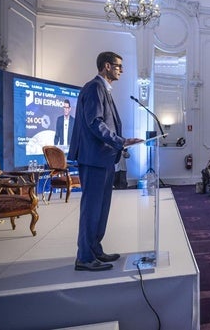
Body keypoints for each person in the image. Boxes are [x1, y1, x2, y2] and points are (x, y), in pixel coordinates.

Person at [68, 51, 143, 271]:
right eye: (119, 66)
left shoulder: (103, 89)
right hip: (94, 159)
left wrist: (122, 142)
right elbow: (95, 123)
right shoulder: (94, 88)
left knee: (101, 209)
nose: (122, 70)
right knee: (91, 209)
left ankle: (95, 250)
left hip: (103, 158)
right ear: (107, 66)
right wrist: (120, 141)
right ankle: (84, 257)